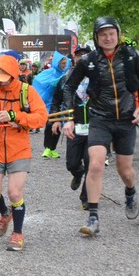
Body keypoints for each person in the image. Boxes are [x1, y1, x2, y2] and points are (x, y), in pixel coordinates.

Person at [61, 17, 139, 237]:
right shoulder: (88, 60)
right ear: (96, 37)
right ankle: (93, 218)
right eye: (103, 35)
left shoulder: (130, 55)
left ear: (118, 34)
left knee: (125, 171)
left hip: (126, 119)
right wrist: (69, 118)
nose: (108, 38)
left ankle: (130, 192)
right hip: (99, 119)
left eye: (111, 34)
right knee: (96, 165)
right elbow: (69, 87)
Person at [0, 55, 48, 251]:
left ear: (14, 75)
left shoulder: (26, 91)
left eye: (4, 78)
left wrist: (16, 116)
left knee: (14, 192)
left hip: (19, 151)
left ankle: (17, 233)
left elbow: (41, 117)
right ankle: (5, 213)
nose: (1, 82)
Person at [51, 46, 92, 207]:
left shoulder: (98, 77)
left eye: (86, 55)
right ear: (74, 58)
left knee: (91, 162)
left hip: (95, 126)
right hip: (74, 125)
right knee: (72, 163)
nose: (82, 58)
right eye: (79, 55)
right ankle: (78, 172)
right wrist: (56, 120)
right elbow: (56, 101)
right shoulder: (66, 78)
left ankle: (86, 198)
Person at [32, 53, 71, 159]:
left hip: (60, 103)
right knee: (50, 124)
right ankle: (47, 147)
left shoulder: (67, 74)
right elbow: (40, 83)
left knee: (58, 125)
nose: (64, 65)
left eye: (65, 63)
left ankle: (52, 148)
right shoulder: (49, 73)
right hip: (49, 103)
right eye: (62, 63)